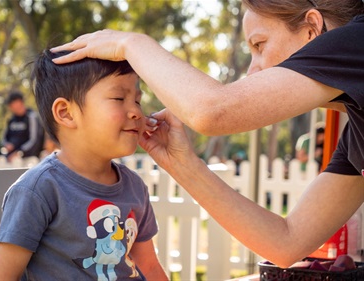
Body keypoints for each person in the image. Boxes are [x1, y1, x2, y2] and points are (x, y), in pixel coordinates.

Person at [49, 0, 364, 268]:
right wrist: (180, 163)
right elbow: (287, 243)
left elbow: (214, 111)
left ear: (312, 29)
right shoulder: (357, 132)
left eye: (259, 45)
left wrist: (130, 44)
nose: (252, 70)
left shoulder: (359, 40)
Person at [0, 50, 168, 280]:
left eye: (137, 100)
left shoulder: (134, 186)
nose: (136, 112)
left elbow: (149, 267)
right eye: (118, 98)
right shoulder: (39, 190)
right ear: (66, 113)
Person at [2, 91, 45, 162]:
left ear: (21, 102)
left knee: (18, 162)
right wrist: (7, 145)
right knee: (0, 160)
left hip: (29, 156)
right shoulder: (11, 120)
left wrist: (20, 152)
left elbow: (34, 140)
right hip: (11, 156)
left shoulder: (31, 117)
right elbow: (4, 139)